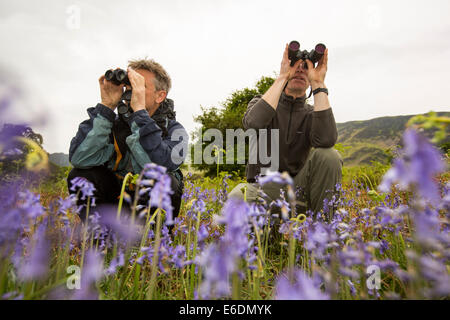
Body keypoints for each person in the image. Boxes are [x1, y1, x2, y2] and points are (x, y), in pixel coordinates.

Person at [228, 43, 343, 219]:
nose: (300, 71)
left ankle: (323, 235)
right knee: (236, 198)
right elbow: (253, 123)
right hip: (262, 189)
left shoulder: (313, 114)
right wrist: (282, 77)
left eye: (306, 68)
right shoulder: (261, 102)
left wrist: (318, 83)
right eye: (295, 66)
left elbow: (327, 141)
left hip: (298, 191)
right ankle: (261, 236)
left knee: (330, 155)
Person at [67, 58, 188, 221]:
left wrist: (139, 114)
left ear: (160, 96)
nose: (132, 91)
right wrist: (107, 107)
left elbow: (160, 166)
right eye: (129, 85)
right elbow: (79, 159)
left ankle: (152, 240)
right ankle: (99, 238)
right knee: (81, 174)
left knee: (167, 180)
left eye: (140, 85)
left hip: (149, 207)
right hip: (116, 198)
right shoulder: (112, 124)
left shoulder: (175, 130)